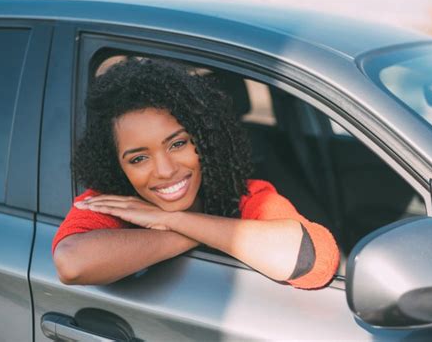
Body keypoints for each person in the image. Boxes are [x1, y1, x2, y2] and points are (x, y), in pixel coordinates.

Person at [52, 57, 339, 289]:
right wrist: (191, 232)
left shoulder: (245, 194)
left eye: (178, 143)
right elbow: (72, 263)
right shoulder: (113, 203)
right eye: (138, 158)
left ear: (203, 139)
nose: (165, 171)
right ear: (118, 165)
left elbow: (315, 262)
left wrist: (172, 220)